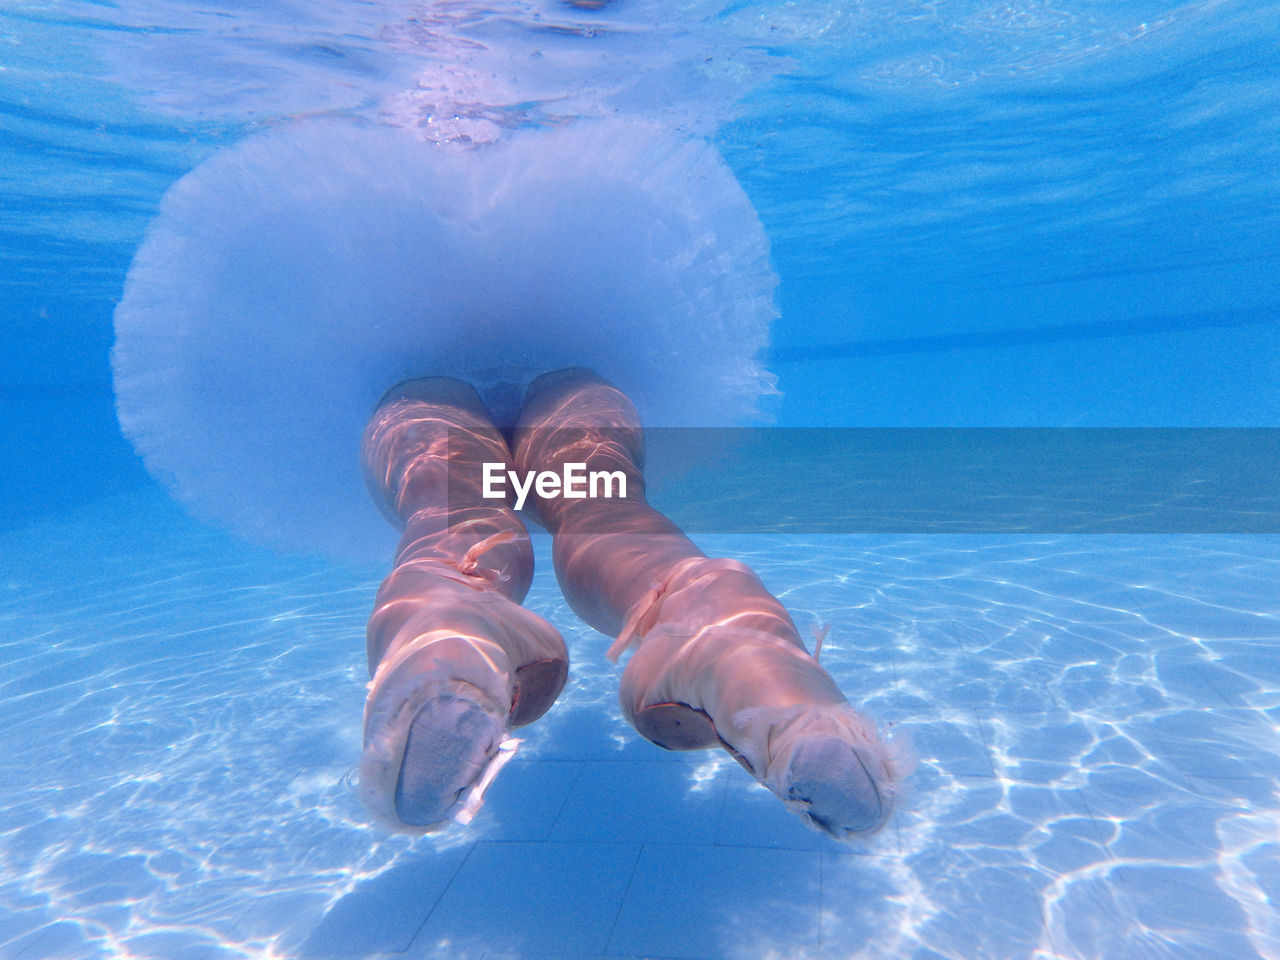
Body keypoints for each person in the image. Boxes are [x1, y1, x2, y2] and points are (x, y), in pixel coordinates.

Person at [360, 369, 906, 841]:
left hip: (418, 373)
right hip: (569, 373)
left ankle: (440, 609)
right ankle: (710, 617)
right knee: (602, 504)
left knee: (447, 499)